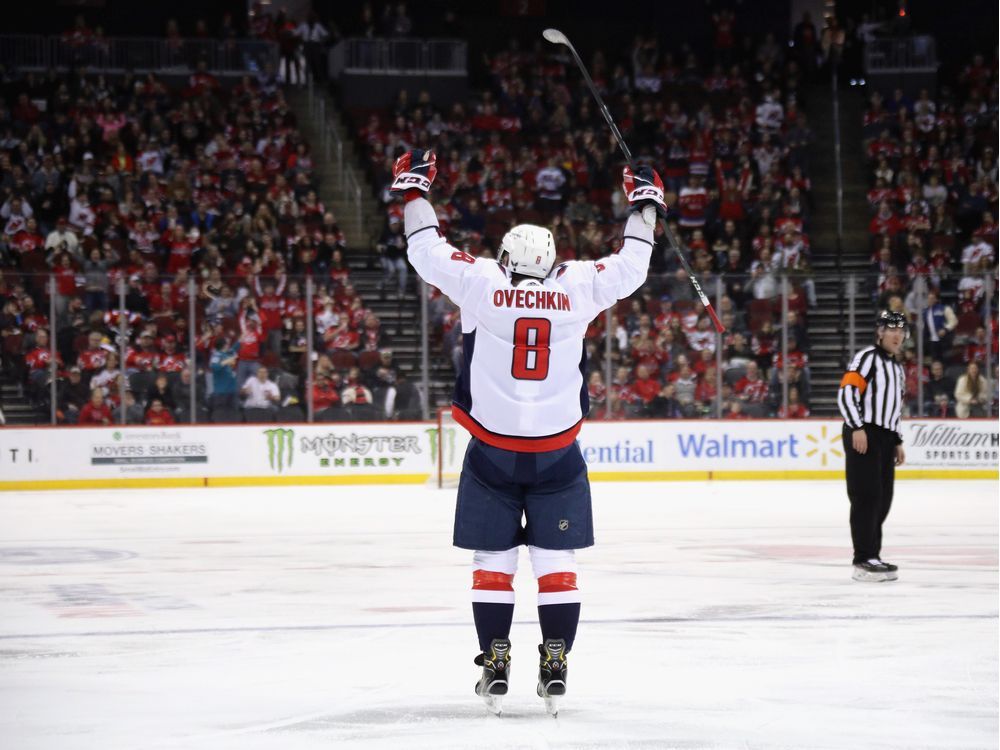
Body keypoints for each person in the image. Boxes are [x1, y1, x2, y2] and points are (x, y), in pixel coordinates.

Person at [392, 149, 663, 714]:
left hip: (492, 452)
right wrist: (645, 202)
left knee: (493, 563)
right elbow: (633, 265)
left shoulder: (482, 282)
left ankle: (495, 658)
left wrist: (414, 188)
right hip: (558, 454)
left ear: (506, 256)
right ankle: (556, 656)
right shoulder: (579, 286)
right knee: (556, 563)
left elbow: (425, 249)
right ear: (553, 259)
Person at [837, 311, 907, 583]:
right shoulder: (867, 358)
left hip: (886, 438)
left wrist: (897, 440)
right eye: (891, 329)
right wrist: (857, 427)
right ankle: (863, 559)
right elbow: (847, 393)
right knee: (866, 496)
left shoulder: (897, 368)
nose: (897, 335)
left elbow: (895, 408)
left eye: (901, 330)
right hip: (864, 432)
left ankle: (873, 555)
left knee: (883, 499)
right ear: (880, 332)